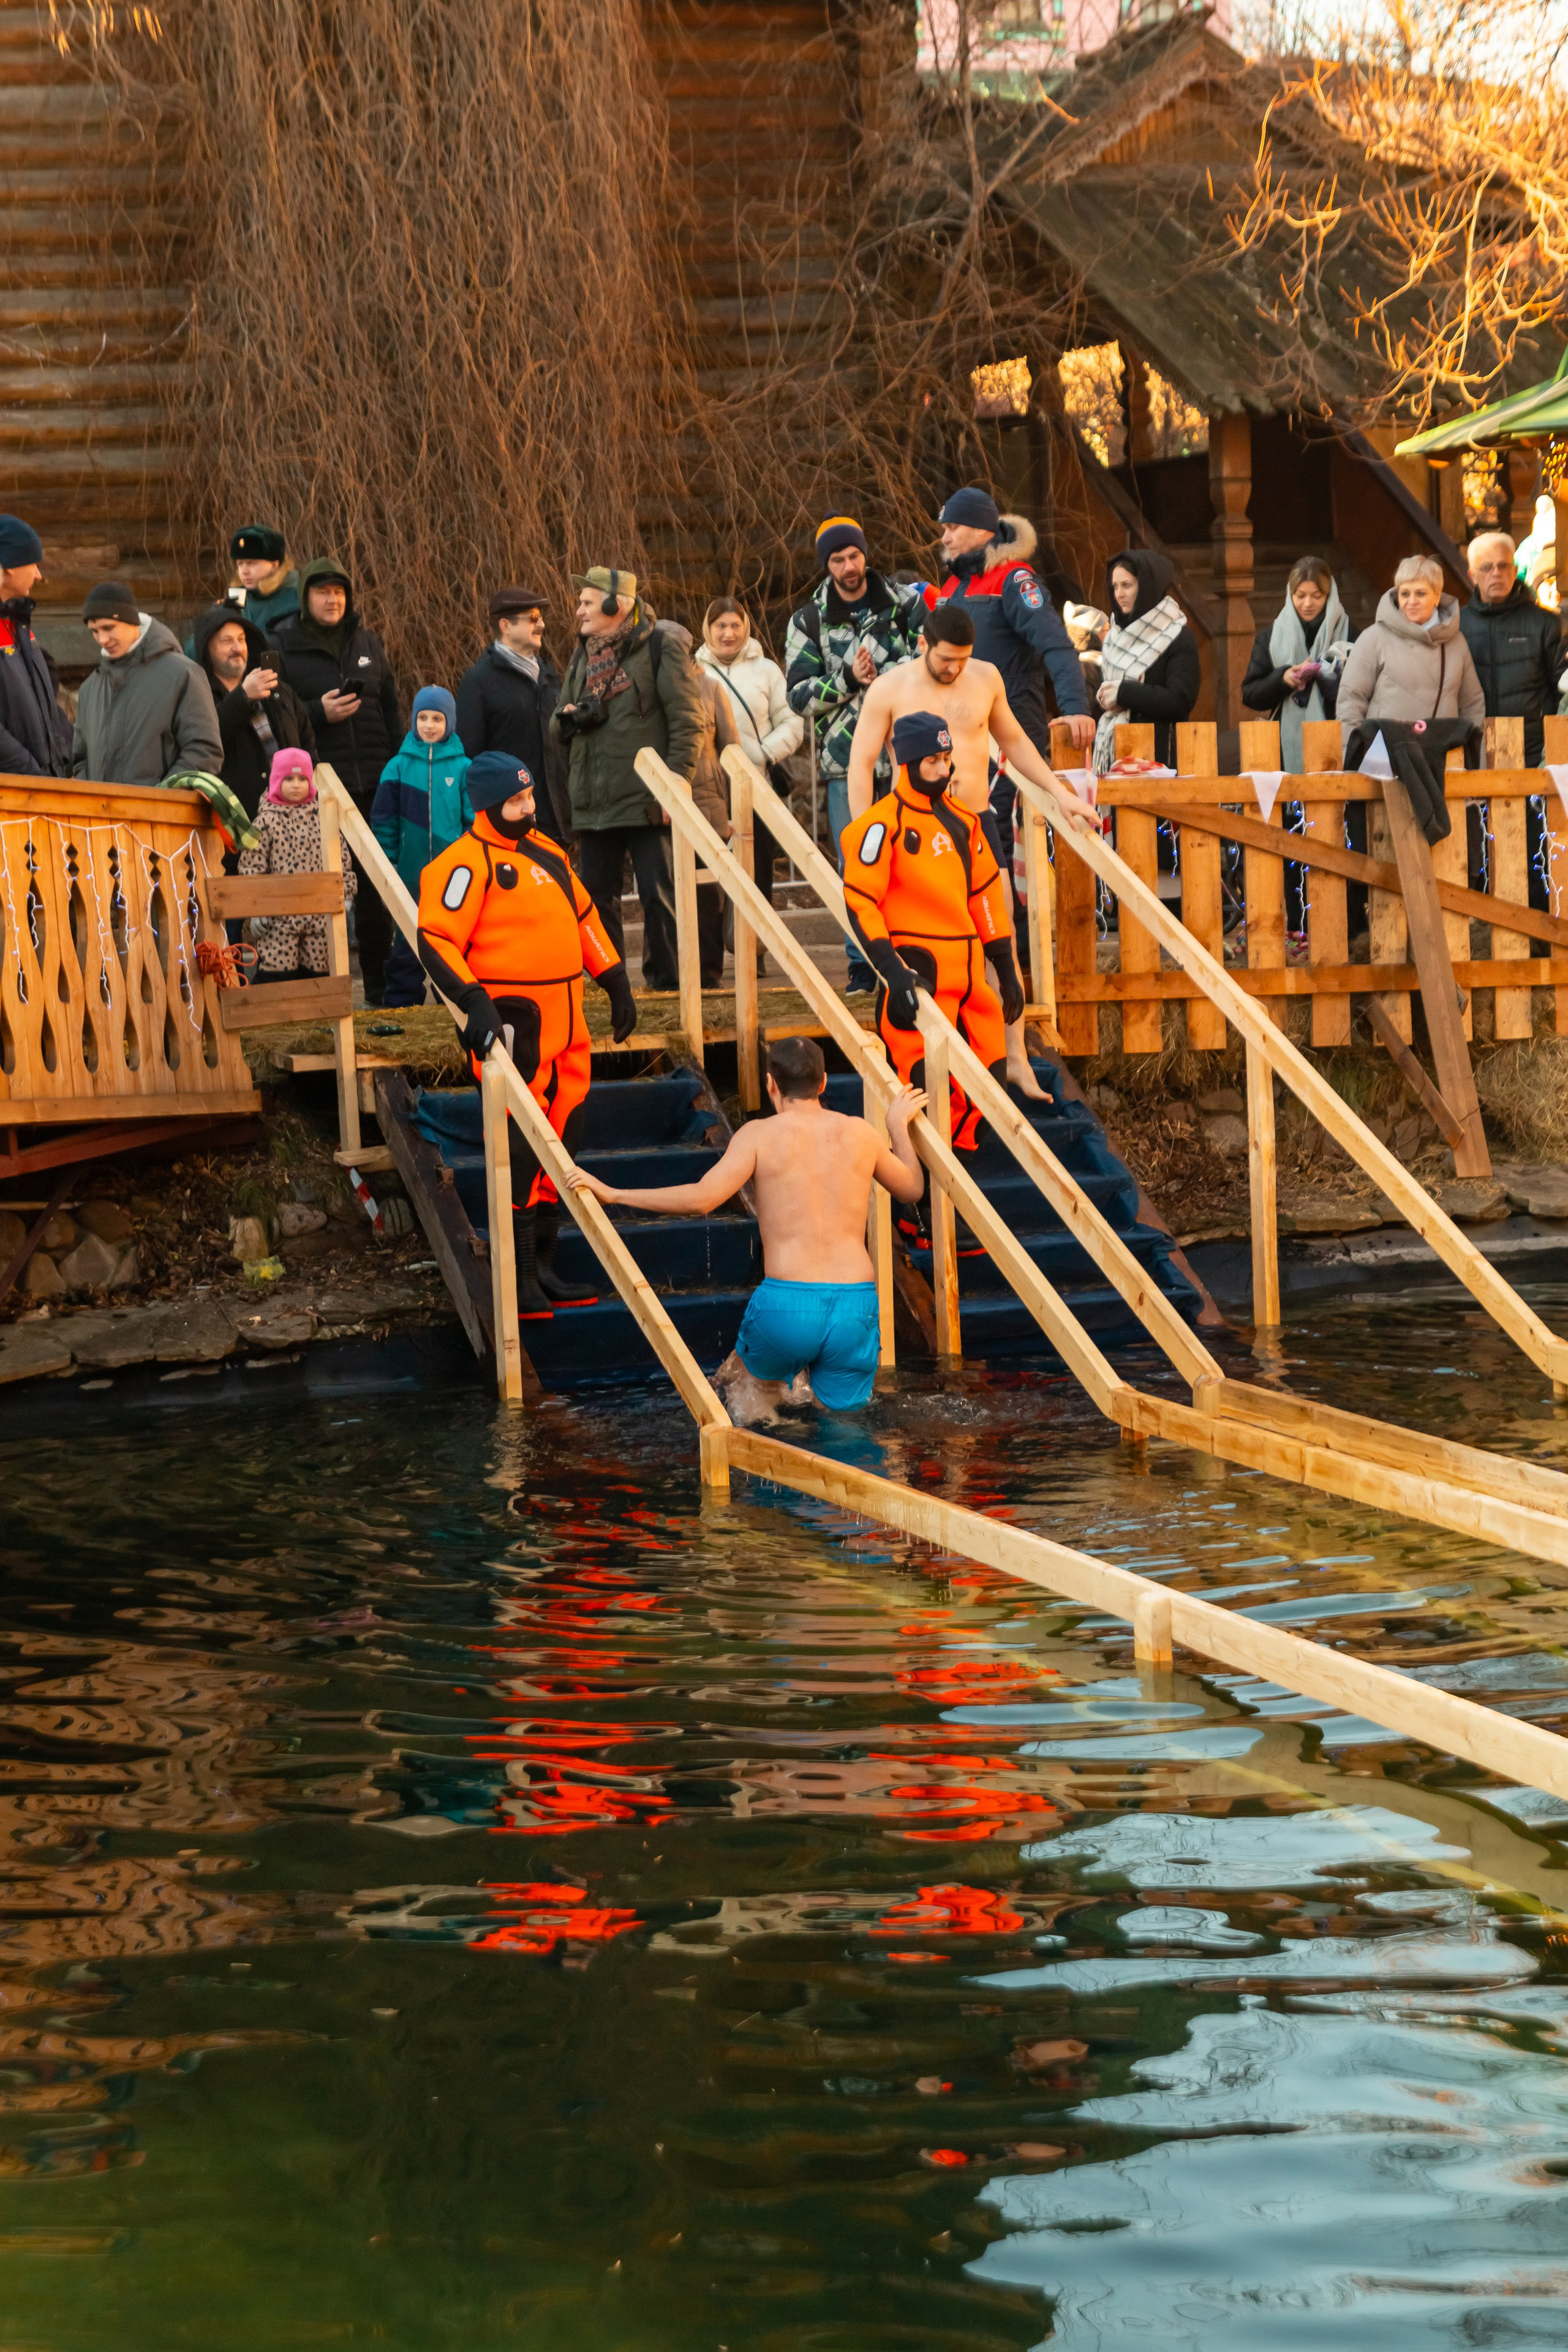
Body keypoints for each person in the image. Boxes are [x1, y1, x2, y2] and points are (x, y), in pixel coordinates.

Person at [567, 1036, 926, 1423]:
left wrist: (615, 1193)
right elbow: (912, 1189)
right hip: (856, 1305)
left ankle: (771, 1450)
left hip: (788, 1303)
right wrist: (897, 1127)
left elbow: (703, 1198)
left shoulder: (759, 1135)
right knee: (846, 1428)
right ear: (823, 1083)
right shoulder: (862, 1133)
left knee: (741, 1389)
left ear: (770, 1083)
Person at [417, 750, 638, 1317]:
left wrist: (614, 979)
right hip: (514, 1022)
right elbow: (436, 938)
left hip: (568, 1021)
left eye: (530, 796)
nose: (529, 807)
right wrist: (473, 1001)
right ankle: (515, 1279)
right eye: (516, 801)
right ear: (488, 805)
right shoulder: (463, 864)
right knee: (519, 1146)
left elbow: (585, 918)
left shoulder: (548, 852)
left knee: (566, 1134)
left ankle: (543, 1267)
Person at [846, 604, 1098, 1097]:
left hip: (975, 820)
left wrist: (1060, 795)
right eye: (946, 659)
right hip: (915, 827)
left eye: (963, 659)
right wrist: (864, 834)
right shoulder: (890, 688)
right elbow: (862, 762)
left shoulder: (986, 678)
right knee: (932, 931)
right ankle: (937, 1048)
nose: (954, 668)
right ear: (923, 644)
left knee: (999, 925)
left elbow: (1015, 742)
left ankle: (1015, 1055)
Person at [840, 709, 1027, 1166]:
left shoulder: (966, 820)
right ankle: (921, 1200)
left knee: (990, 1087)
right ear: (907, 763)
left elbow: (986, 896)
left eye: (947, 759)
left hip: (971, 982)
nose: (944, 770)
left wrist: (1005, 967)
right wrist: (892, 971)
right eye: (933, 761)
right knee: (922, 1095)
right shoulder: (881, 824)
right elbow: (860, 901)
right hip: (918, 980)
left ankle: (959, 1194)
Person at [785, 515, 926, 995]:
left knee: (912, 860)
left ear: (865, 554)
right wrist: (847, 678)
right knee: (858, 863)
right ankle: (862, 964)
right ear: (826, 566)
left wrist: (891, 675)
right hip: (846, 761)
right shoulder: (809, 620)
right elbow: (798, 696)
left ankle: (913, 954)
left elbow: (935, 662)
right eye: (838, 560)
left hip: (908, 754)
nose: (849, 566)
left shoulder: (906, 605)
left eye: (854, 555)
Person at [550, 566, 704, 994]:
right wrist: (567, 719)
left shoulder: (660, 646)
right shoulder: (582, 654)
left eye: (586, 602)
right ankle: (609, 988)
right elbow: (556, 722)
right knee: (597, 902)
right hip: (594, 803)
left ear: (614, 604)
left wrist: (676, 785)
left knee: (659, 898)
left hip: (647, 800)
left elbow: (688, 721)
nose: (578, 611)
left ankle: (669, 990)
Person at [933, 483, 1095, 872]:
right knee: (963, 830)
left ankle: (1011, 914)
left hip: (1012, 724)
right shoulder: (952, 585)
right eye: (944, 529)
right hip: (960, 729)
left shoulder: (1014, 578)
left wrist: (1075, 707)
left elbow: (1055, 644)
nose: (945, 538)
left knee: (999, 831)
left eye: (953, 528)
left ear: (981, 529)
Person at [268, 556, 403, 1003]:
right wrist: (318, 712)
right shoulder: (285, 646)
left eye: (340, 592)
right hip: (320, 790)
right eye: (324, 592)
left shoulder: (367, 642)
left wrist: (399, 767)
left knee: (375, 891)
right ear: (305, 597)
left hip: (376, 785)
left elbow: (391, 707)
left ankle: (379, 989)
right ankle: (318, 990)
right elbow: (277, 717)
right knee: (320, 891)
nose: (333, 600)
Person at [696, 596, 804, 930]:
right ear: (708, 628)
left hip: (757, 787)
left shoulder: (767, 670)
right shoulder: (693, 671)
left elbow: (792, 721)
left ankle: (755, 948)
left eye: (735, 625)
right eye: (720, 626)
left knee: (757, 874)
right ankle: (710, 954)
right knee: (709, 877)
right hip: (709, 789)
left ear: (745, 627)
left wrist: (763, 752)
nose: (728, 634)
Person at [371, 685, 472, 1008]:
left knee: (450, 935)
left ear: (450, 722)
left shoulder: (463, 768)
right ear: (414, 720)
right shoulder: (398, 767)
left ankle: (452, 999)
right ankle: (402, 1001)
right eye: (423, 718)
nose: (429, 725)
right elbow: (384, 822)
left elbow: (473, 821)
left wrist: (468, 861)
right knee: (407, 934)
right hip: (410, 871)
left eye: (437, 719)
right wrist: (389, 863)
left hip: (451, 873)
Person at [72, 582, 222, 788]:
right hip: (101, 810)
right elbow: (81, 761)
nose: (102, 639)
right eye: (95, 631)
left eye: (108, 628)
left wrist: (163, 797)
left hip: (162, 808)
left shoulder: (183, 674)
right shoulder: (89, 689)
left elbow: (204, 751)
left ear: (132, 621)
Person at [455, 587, 571, 845]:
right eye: (533, 618)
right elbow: (470, 759)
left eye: (541, 617)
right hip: (509, 824)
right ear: (506, 626)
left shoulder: (550, 676)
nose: (542, 625)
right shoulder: (478, 681)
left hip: (554, 821)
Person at [238, 748, 355, 982]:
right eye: (289, 779)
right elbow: (252, 867)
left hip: (318, 914)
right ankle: (275, 1002)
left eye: (302, 779)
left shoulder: (323, 817)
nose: (296, 785)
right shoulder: (265, 821)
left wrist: (345, 892)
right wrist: (257, 909)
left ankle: (315, 1005)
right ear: (276, 780)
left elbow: (341, 858)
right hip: (278, 918)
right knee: (278, 974)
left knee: (318, 974)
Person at [664, 616, 737, 987]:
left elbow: (731, 750)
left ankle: (709, 974)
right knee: (666, 890)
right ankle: (672, 973)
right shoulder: (648, 689)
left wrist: (734, 811)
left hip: (708, 802)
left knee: (709, 893)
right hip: (662, 807)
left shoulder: (710, 688)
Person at [191, 605, 315, 823]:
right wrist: (243, 698)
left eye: (241, 639)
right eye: (227, 641)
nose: (237, 648)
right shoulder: (198, 695)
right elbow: (206, 740)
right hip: (240, 823)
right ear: (208, 648)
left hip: (294, 820)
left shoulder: (279, 690)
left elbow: (308, 745)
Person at [1335, 555, 1486, 731]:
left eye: (1420, 593)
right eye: (1405, 593)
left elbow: (1472, 705)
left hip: (1441, 747)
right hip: (1384, 747)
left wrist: (1472, 747)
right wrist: (1353, 746)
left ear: (1437, 596)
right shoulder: (1373, 638)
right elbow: (1351, 702)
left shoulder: (1456, 642)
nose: (1412, 601)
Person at [1458, 530, 1564, 766]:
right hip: (1474, 754)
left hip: (1536, 755)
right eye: (1487, 567)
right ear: (1473, 576)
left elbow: (1562, 691)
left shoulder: (1545, 623)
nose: (1496, 573)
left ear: (1515, 571)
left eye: (1503, 565)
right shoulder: (1456, 626)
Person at [1092, 550, 1201, 775]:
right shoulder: (1115, 636)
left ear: (1147, 586)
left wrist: (1123, 693)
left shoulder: (1177, 635)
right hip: (1115, 753)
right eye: (1115, 587)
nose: (1119, 594)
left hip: (1161, 761)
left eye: (1127, 585)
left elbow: (1180, 701)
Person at [1241, 557, 1355, 768]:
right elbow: (1250, 695)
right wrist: (1283, 679)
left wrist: (1331, 680)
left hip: (1338, 746)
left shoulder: (1351, 634)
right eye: (1300, 596)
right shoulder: (1271, 638)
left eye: (1317, 596)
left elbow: (1363, 693)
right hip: (1283, 753)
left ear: (1329, 595)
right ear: (1290, 594)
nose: (1307, 604)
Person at [0, 514, 71, 777]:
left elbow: (46, 710)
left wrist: (68, 761)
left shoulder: (18, 625)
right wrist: (33, 775)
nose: (39, 575)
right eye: (32, 564)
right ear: (9, 567)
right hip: (17, 792)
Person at [185, 526, 300, 654]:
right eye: (240, 564)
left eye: (252, 563)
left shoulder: (297, 600)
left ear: (274, 565)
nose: (244, 571)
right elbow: (192, 649)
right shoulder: (237, 599)